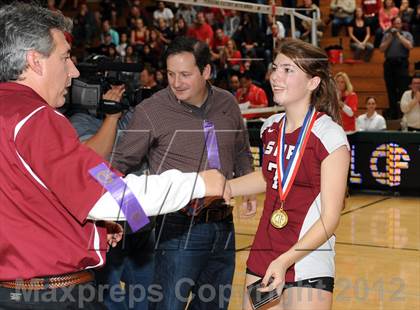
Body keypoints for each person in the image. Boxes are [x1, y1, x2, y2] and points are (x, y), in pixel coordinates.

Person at [0, 4, 229, 309]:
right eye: (66, 57)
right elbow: (112, 195)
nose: (74, 71)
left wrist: (96, 227)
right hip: (53, 295)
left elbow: (38, 199)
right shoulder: (37, 118)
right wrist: (199, 182)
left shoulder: (10, 114)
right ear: (35, 61)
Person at [112, 36, 254, 310]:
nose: (176, 83)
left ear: (206, 71)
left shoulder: (228, 103)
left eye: (185, 75)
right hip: (175, 228)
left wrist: (246, 184)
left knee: (214, 305)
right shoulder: (151, 110)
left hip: (224, 225)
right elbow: (115, 167)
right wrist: (134, 217)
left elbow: (240, 150)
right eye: (171, 74)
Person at [228, 38, 350, 310]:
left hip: (307, 260)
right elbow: (271, 176)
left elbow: (330, 219)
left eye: (288, 70)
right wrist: (226, 188)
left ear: (313, 82)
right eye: (275, 68)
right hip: (263, 252)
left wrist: (285, 261)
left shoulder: (329, 136)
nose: (275, 77)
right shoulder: (270, 127)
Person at [379, 16, 413, 119]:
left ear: (401, 25)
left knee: (403, 89)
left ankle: (403, 113)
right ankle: (393, 113)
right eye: (395, 24)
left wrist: (398, 36)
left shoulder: (407, 34)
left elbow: (409, 46)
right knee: (391, 90)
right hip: (389, 65)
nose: (397, 25)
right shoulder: (387, 35)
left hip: (401, 64)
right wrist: (390, 37)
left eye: (399, 23)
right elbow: (381, 49)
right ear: (392, 25)